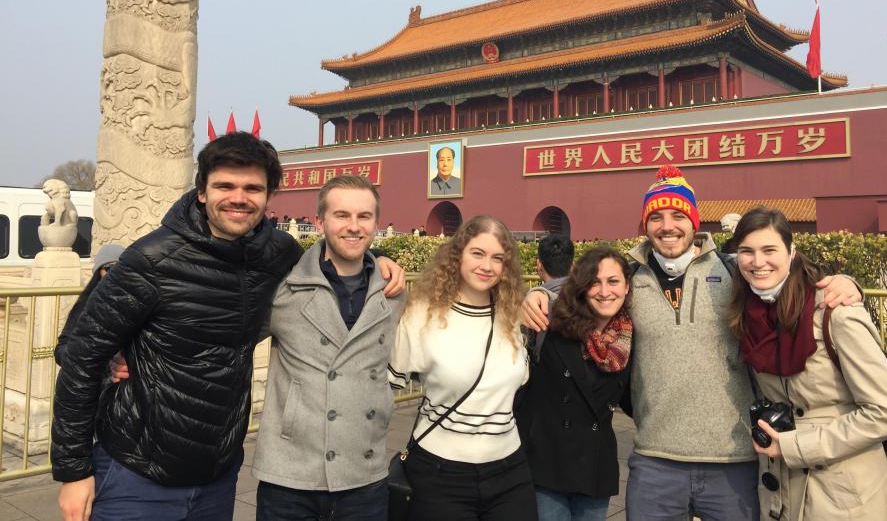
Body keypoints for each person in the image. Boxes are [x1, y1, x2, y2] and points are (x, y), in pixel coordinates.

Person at [520, 165, 863, 520]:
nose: (667, 225)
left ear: (695, 221)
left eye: (678, 214)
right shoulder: (631, 278)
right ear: (645, 224)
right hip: (655, 460)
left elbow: (794, 278)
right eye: (656, 216)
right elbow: (582, 290)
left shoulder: (735, 272)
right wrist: (536, 293)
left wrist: (849, 282)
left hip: (733, 462)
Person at [51, 132, 305, 521]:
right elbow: (81, 357)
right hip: (135, 472)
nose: (239, 197)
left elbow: (330, 270)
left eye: (253, 188)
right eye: (225, 185)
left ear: (269, 196)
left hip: (217, 474)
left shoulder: (277, 253)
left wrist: (377, 263)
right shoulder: (150, 260)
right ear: (202, 191)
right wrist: (74, 472)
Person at [727, 207, 887, 521]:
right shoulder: (748, 313)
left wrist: (794, 446)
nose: (758, 262)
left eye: (770, 249)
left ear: (791, 252)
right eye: (746, 251)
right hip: (779, 487)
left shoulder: (835, 313)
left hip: (843, 491)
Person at [252, 175, 408, 520]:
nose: (353, 227)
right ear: (320, 222)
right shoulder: (285, 288)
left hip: (363, 477)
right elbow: (221, 337)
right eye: (341, 216)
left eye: (364, 217)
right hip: (290, 475)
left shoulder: (394, 292)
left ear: (376, 223)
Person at [388, 215, 537, 520]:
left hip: (509, 470)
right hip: (439, 472)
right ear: (458, 254)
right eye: (478, 253)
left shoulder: (513, 315)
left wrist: (541, 293)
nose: (487, 266)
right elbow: (382, 390)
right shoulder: (422, 315)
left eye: (498, 258)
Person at [516, 246, 633, 521]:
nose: (605, 291)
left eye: (613, 281)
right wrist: (533, 294)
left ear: (627, 286)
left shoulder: (629, 337)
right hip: (547, 462)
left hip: (595, 465)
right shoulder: (552, 323)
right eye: (594, 282)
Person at [54, 243, 125, 366]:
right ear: (99, 272)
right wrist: (83, 354)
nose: (114, 274)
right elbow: (61, 349)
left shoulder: (138, 303)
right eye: (109, 268)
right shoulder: (86, 304)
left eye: (120, 268)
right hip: (91, 377)